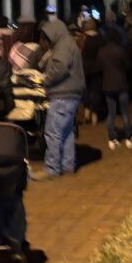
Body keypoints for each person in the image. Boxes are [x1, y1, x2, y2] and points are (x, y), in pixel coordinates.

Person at [38, 19, 86, 178]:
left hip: (62, 95)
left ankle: (51, 168)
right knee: (66, 133)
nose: (46, 39)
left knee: (53, 132)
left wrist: (46, 80)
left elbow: (59, 68)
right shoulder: (69, 43)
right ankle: (67, 166)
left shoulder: (63, 46)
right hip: (71, 94)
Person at [99, 26, 132, 149]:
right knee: (125, 112)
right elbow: (128, 66)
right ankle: (128, 137)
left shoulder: (102, 51)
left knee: (111, 113)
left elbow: (100, 67)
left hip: (108, 84)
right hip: (121, 83)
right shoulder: (120, 50)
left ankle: (112, 138)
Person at [80, 18, 105, 124]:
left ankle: (87, 110)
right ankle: (95, 115)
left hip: (85, 68)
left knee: (85, 89)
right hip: (97, 68)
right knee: (96, 91)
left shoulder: (83, 38)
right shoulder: (101, 39)